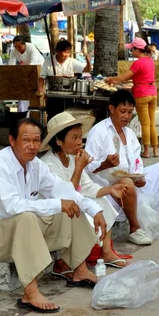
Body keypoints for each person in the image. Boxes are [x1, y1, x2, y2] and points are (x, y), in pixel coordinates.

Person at [0, 118, 107, 313]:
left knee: (70, 207)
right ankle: (30, 292)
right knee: (27, 215)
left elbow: (63, 191)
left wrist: (95, 210)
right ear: (12, 140)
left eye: (36, 140)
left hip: (20, 232)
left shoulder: (36, 165)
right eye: (26, 140)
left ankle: (80, 270)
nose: (32, 146)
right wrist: (57, 204)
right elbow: (12, 206)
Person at [84, 90, 159, 245]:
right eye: (122, 111)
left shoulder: (129, 133)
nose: (126, 116)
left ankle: (151, 215)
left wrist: (139, 176)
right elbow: (87, 167)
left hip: (130, 181)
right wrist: (105, 164)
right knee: (126, 182)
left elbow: (137, 161)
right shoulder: (99, 132)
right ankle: (135, 228)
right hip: (106, 187)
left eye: (130, 112)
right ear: (112, 109)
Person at [39, 112, 133, 274]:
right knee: (77, 207)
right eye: (74, 138)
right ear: (59, 141)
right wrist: (79, 168)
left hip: (69, 204)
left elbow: (88, 186)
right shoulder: (49, 164)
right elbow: (66, 196)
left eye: (80, 137)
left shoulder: (72, 157)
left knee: (102, 202)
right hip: (54, 215)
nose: (79, 143)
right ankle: (63, 261)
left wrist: (110, 190)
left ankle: (107, 252)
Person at [105, 38, 159, 158]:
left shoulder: (138, 63)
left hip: (142, 94)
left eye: (132, 49)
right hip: (152, 92)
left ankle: (146, 152)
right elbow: (141, 76)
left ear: (137, 49)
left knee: (145, 124)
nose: (131, 52)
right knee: (152, 123)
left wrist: (110, 79)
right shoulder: (150, 61)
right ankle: (156, 150)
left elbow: (123, 78)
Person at [9, 36, 45, 112]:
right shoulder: (13, 50)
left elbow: (33, 63)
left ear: (24, 44)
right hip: (26, 70)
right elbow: (11, 64)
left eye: (19, 47)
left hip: (39, 69)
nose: (17, 49)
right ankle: (23, 110)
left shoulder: (31, 47)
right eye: (16, 47)